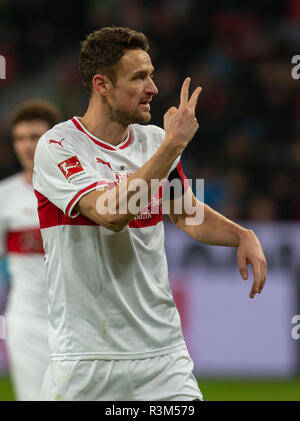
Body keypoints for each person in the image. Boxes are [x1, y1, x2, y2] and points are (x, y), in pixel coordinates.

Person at [33, 27, 267, 401]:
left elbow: (186, 212)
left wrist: (242, 235)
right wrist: (172, 144)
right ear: (102, 85)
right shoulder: (58, 146)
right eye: (139, 77)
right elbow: (110, 214)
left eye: (152, 74)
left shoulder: (153, 141)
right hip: (86, 361)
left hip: (163, 359)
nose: (153, 88)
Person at [0, 99, 61, 400]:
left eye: (35, 137)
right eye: (19, 138)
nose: (26, 145)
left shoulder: (78, 192)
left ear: (53, 138)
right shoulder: (4, 197)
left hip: (76, 319)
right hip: (26, 321)